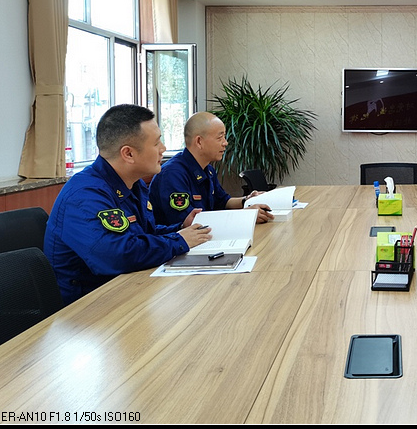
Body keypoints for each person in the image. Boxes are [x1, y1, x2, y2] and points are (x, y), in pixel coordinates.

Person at [45, 104, 213, 305]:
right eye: (156, 143)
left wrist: (180, 228)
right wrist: (179, 240)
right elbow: (117, 255)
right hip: (86, 307)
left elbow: (141, 235)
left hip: (126, 291)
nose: (163, 149)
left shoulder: (133, 183)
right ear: (128, 154)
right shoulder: (85, 195)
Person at [149, 111, 273, 225]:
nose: (225, 143)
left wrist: (247, 200)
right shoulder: (173, 175)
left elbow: (223, 201)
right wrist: (245, 216)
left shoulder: (207, 169)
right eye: (220, 138)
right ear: (199, 142)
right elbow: (191, 223)